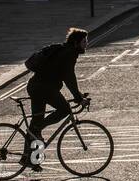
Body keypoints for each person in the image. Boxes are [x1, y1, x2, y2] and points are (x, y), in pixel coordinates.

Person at [21, 27, 89, 168]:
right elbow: (69, 77)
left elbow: (67, 77)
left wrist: (78, 95)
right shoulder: (69, 54)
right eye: (84, 41)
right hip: (44, 88)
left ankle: (30, 159)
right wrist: (77, 97)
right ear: (76, 43)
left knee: (35, 125)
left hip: (37, 86)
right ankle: (38, 130)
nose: (86, 43)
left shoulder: (64, 50)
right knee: (64, 110)